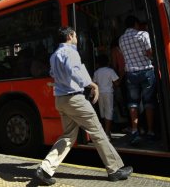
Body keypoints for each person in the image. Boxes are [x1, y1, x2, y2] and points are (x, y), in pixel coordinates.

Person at [35, 26, 132, 185]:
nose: (77, 39)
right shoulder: (71, 52)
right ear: (70, 36)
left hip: (60, 100)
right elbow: (75, 71)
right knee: (98, 131)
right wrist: (92, 85)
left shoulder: (54, 55)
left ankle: (45, 169)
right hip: (75, 99)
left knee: (68, 136)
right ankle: (114, 169)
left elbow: (53, 74)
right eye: (76, 36)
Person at [119, 15, 156, 146]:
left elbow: (124, 55)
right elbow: (151, 53)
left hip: (131, 73)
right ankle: (150, 131)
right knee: (148, 102)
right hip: (146, 71)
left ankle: (135, 131)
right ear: (135, 24)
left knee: (133, 103)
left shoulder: (121, 39)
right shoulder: (143, 35)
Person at [93, 54, 120, 140]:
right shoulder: (110, 71)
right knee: (109, 111)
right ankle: (107, 132)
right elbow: (117, 83)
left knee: (103, 112)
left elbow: (95, 84)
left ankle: (106, 131)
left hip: (100, 93)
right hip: (108, 93)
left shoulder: (96, 72)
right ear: (108, 62)